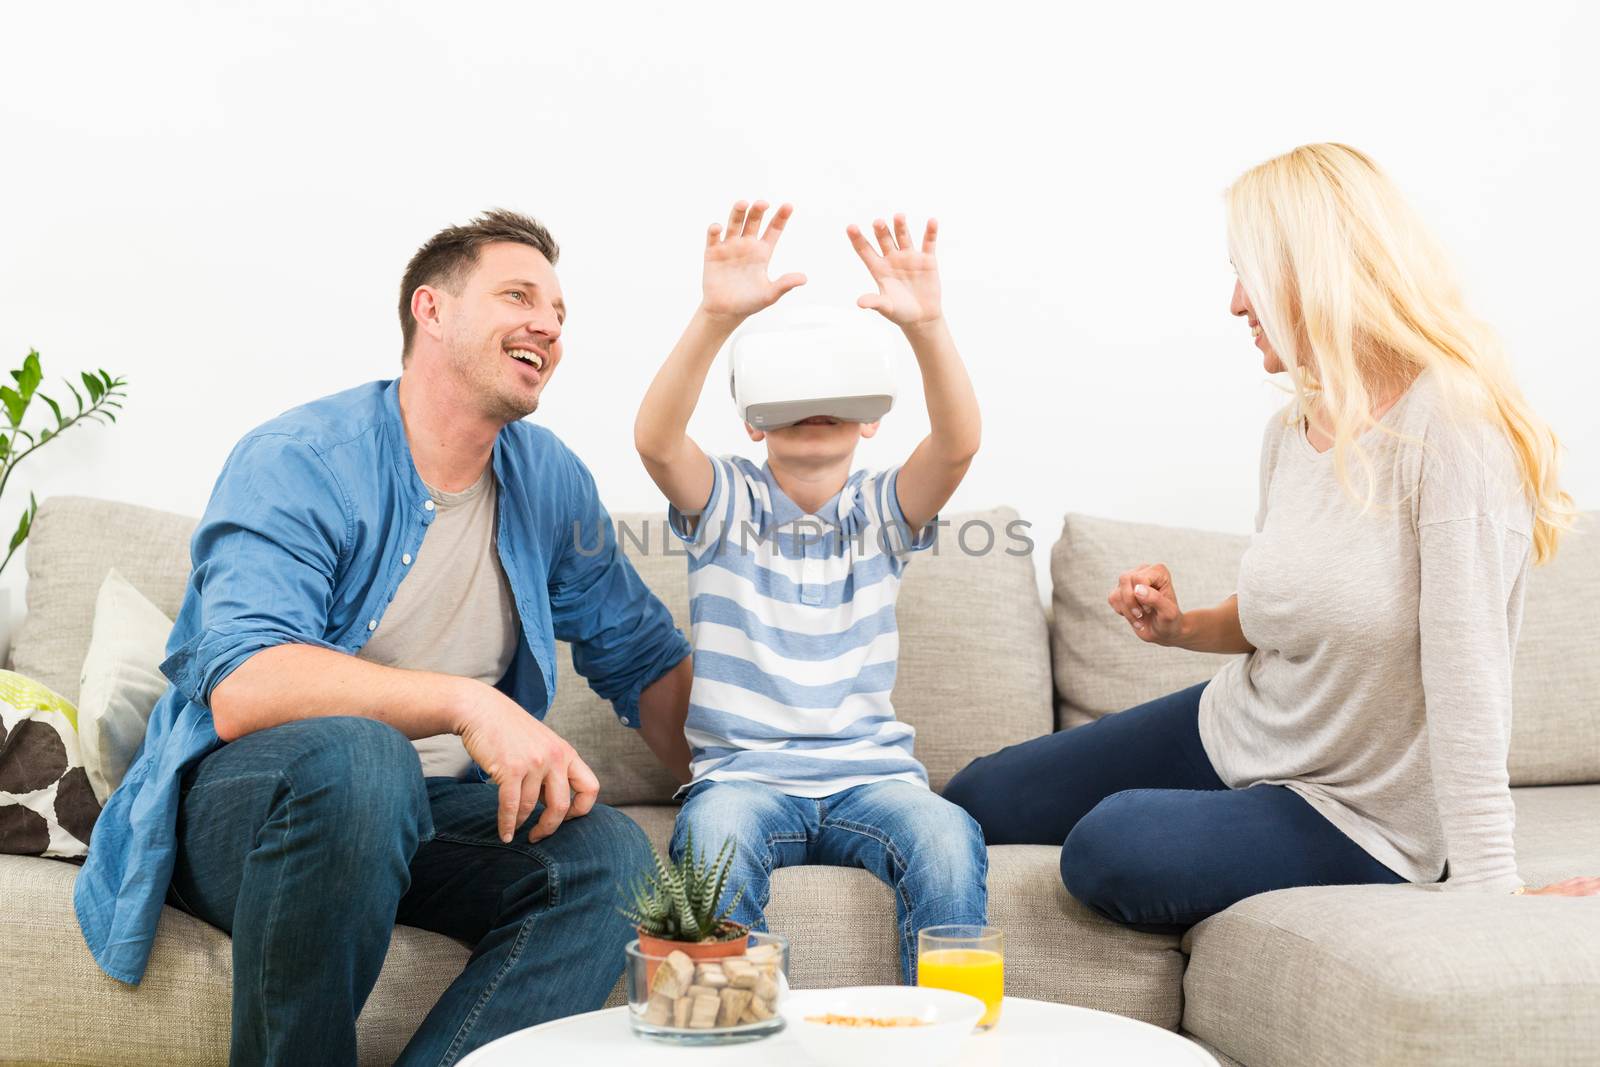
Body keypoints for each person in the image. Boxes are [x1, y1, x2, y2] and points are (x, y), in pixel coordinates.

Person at [74, 209, 696, 1065]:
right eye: (519, 294)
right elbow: (247, 682)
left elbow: (646, 661)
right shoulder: (301, 457)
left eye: (559, 311)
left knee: (612, 856)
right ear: (429, 310)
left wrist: (771, 764)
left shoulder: (549, 480)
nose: (549, 325)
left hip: (429, 818)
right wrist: (464, 702)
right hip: (253, 809)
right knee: (366, 761)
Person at [944, 143, 1600, 931]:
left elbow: (1470, 670)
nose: (1233, 303)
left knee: (1112, 844)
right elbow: (1286, 616)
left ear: (1314, 270)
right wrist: (1180, 625)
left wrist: (1492, 881)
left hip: (1357, 810)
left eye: (1247, 272)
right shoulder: (1293, 428)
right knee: (978, 796)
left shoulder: (1453, 425)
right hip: (1242, 728)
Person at [633, 201, 988, 982]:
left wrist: (927, 326)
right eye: (793, 396)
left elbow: (957, 445)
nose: (814, 408)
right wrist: (714, 316)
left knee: (946, 833)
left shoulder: (880, 513)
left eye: (834, 396)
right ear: (757, 423)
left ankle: (955, 1035)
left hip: (873, 778)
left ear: (868, 421)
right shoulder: (726, 503)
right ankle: (743, 1032)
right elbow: (657, 441)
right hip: (745, 778)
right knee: (713, 845)